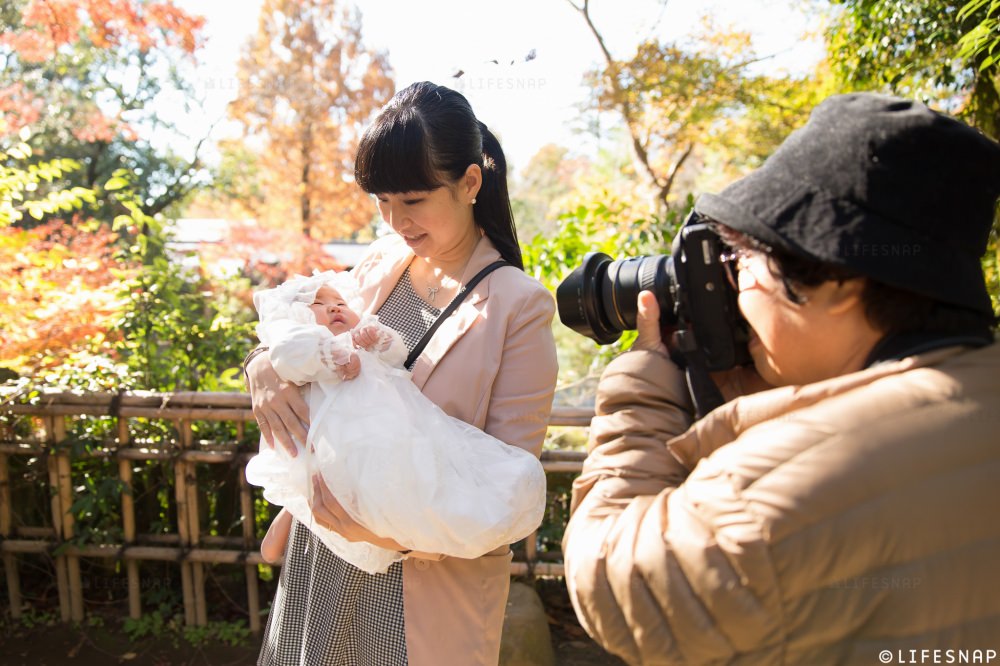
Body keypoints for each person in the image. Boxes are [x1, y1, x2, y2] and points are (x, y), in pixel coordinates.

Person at [562, 92, 1000, 663]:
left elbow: (612, 578)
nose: (736, 292)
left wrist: (642, 389)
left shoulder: (769, 494)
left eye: (743, 263)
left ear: (839, 279)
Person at [245, 81, 558, 666]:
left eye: (412, 200)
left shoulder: (519, 306)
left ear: (470, 182)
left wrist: (387, 535)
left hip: (421, 580)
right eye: (382, 201)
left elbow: (507, 484)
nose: (395, 221)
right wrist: (262, 366)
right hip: (323, 555)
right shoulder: (381, 263)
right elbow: (303, 327)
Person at [244, 270, 546, 574]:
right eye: (318, 304)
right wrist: (325, 354)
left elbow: (397, 356)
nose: (335, 307)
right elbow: (287, 353)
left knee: (392, 474)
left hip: (385, 426)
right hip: (331, 432)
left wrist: (378, 340)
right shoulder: (308, 337)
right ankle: (283, 525)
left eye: (340, 302)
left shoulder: (362, 334)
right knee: (315, 484)